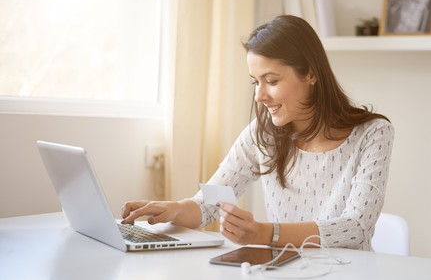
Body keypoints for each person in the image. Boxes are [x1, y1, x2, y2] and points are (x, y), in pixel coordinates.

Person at [122, 15, 394, 251]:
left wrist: (266, 233)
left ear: (310, 74)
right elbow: (209, 205)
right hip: (283, 275)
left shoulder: (372, 134)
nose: (259, 96)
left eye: (271, 81)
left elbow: (355, 227)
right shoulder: (262, 133)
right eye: (255, 82)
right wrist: (172, 209)